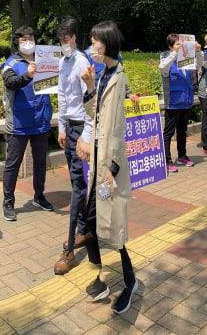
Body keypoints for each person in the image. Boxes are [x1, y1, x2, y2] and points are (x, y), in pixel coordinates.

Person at [78, 21, 139, 314]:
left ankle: (129, 282)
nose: (92, 46)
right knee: (91, 221)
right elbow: (95, 114)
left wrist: (110, 169)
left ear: (107, 43)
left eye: (95, 41)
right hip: (99, 161)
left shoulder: (119, 77)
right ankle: (102, 279)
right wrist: (90, 87)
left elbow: (116, 127)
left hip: (108, 167)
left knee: (113, 226)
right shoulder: (104, 74)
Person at [54, 18, 96, 274]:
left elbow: (89, 101)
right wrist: (61, 126)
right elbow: (62, 94)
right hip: (69, 127)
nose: (64, 44)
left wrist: (86, 136)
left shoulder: (82, 61)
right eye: (61, 40)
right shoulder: (62, 62)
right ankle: (84, 229)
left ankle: (69, 248)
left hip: (82, 128)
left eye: (67, 39)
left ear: (75, 38)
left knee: (79, 187)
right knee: (76, 183)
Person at [0, 26, 54, 221]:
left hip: (41, 120)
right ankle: (8, 202)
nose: (28, 42)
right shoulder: (10, 64)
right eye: (23, 39)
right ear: (17, 42)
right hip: (19, 123)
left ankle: (39, 196)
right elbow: (10, 83)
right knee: (13, 163)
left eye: (31, 38)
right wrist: (27, 76)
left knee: (40, 162)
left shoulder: (45, 61)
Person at [159, 34, 198, 172]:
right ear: (171, 46)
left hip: (186, 101)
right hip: (173, 103)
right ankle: (167, 160)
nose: (181, 47)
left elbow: (198, 66)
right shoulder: (166, 58)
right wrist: (175, 53)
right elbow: (162, 68)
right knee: (168, 132)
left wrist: (198, 51)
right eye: (177, 44)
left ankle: (182, 155)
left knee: (182, 131)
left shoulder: (187, 58)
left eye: (182, 44)